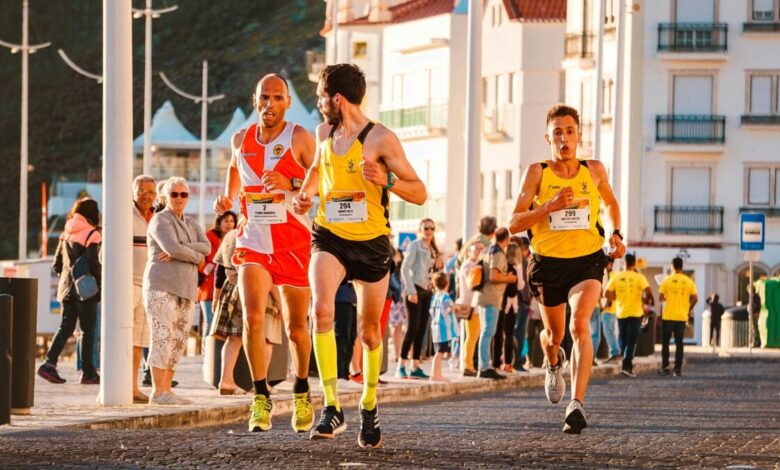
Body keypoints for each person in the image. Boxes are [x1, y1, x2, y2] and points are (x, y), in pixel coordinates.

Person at [293, 63, 427, 448]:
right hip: (329, 236)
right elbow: (316, 171)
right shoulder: (323, 133)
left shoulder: (381, 138)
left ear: (337, 98)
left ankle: (368, 405)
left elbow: (420, 192)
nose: (319, 104)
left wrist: (387, 180)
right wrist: (305, 195)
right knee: (322, 309)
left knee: (369, 332)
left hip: (371, 242)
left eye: (321, 96)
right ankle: (331, 406)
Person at [509, 104, 625, 434]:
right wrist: (549, 206)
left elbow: (610, 202)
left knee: (579, 324)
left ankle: (577, 403)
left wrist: (616, 233)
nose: (564, 138)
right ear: (548, 138)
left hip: (587, 260)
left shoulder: (594, 169)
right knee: (554, 336)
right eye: (557, 132)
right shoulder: (537, 172)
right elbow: (514, 223)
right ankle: (552, 361)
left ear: (578, 136)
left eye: (570, 132)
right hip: (548, 265)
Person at [213, 73, 317, 433]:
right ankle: (260, 398)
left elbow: (322, 181)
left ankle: (301, 389)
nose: (269, 104)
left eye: (276, 97)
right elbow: (233, 168)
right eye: (264, 97)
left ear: (288, 102)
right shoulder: (240, 139)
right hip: (253, 240)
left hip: (293, 241)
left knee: (296, 326)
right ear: (255, 100)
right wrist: (228, 197)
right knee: (253, 318)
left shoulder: (300, 138)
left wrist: (292, 184)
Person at [144, 177, 210, 404]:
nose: (179, 198)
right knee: (162, 337)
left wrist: (183, 249)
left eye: (184, 194)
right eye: (174, 194)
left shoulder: (191, 223)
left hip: (187, 289)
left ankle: (167, 390)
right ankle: (158, 391)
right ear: (164, 197)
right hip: (161, 286)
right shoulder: (160, 220)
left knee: (178, 341)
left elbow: (207, 247)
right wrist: (194, 256)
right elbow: (171, 247)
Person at [37, 198, 102, 385]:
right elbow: (93, 263)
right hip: (85, 290)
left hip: (65, 289)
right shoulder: (92, 234)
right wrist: (100, 285)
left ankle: (49, 363)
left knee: (65, 327)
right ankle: (88, 372)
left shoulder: (66, 232)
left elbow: (56, 264)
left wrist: (68, 277)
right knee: (88, 330)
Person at [397, 218, 439, 380]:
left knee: (422, 329)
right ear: (420, 229)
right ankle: (401, 365)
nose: (429, 231)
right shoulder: (415, 245)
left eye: (432, 228)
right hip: (414, 289)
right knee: (412, 328)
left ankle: (415, 366)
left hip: (427, 291)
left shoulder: (432, 248)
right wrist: (411, 290)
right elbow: (405, 268)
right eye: (426, 228)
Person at [472, 227, 516, 380]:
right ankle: (484, 367)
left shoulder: (487, 250)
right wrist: (509, 278)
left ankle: (483, 365)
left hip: (484, 296)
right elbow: (493, 276)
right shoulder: (497, 253)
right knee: (488, 332)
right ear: (507, 239)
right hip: (491, 297)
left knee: (485, 331)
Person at [604, 253, 653, 377]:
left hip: (621, 312)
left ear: (624, 263)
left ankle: (626, 364)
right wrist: (647, 301)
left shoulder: (617, 277)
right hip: (635, 312)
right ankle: (627, 366)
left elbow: (606, 293)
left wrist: (615, 298)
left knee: (623, 338)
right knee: (632, 340)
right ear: (634, 264)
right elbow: (648, 291)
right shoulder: (639, 277)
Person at [131, 175, 156, 403]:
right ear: (133, 191)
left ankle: (132, 387)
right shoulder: (123, 215)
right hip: (127, 284)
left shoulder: (157, 218)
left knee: (139, 340)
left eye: (151, 191)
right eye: (141, 190)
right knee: (121, 336)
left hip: (148, 285)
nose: (146, 195)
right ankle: (114, 385)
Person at [198, 211, 237, 351]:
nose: (229, 224)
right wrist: (207, 267)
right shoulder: (208, 238)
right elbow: (200, 259)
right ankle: (207, 354)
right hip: (209, 289)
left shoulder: (237, 238)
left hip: (229, 290)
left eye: (232, 221)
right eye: (226, 221)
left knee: (226, 326)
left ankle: (217, 354)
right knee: (210, 321)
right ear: (219, 223)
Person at [658, 257, 698, 377]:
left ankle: (665, 367)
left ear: (672, 266)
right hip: (681, 316)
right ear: (682, 266)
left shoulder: (666, 280)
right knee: (679, 343)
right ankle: (677, 369)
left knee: (665, 342)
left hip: (668, 316)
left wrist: (669, 297)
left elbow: (661, 298)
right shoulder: (689, 281)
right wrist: (689, 308)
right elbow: (695, 298)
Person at [457, 241, 484, 376]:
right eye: (476, 248)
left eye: (481, 248)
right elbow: (472, 284)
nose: (479, 251)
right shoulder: (469, 265)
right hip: (471, 305)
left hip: (474, 305)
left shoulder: (472, 264)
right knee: (472, 336)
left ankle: (470, 364)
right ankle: (468, 365)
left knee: (473, 336)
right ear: (470, 251)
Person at [494, 242, 520, 373]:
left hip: (500, 302)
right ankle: (507, 363)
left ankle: (496, 362)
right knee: (508, 334)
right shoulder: (513, 269)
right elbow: (514, 290)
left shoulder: (502, 267)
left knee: (498, 333)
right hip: (509, 305)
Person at [428, 272, 457, 382]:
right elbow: (446, 310)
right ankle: (436, 374)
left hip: (435, 327)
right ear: (447, 283)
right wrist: (454, 307)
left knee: (438, 352)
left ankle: (436, 373)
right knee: (439, 353)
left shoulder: (435, 296)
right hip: (443, 329)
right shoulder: (445, 297)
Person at [512, 236, 532, 372]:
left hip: (518, 301)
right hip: (521, 301)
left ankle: (514, 360)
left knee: (515, 332)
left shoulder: (515, 260)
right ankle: (517, 361)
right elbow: (524, 284)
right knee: (518, 332)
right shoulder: (522, 261)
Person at [599, 258, 621, 363]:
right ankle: (615, 354)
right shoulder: (610, 275)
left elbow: (612, 292)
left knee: (608, 331)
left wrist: (607, 304)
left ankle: (615, 354)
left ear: (610, 264)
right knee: (609, 331)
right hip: (610, 309)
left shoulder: (612, 276)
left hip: (609, 309)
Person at [388, 248, 406, 363]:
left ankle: (400, 354)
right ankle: (397, 353)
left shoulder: (401, 269)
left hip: (401, 302)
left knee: (400, 328)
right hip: (394, 302)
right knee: (395, 328)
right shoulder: (392, 269)